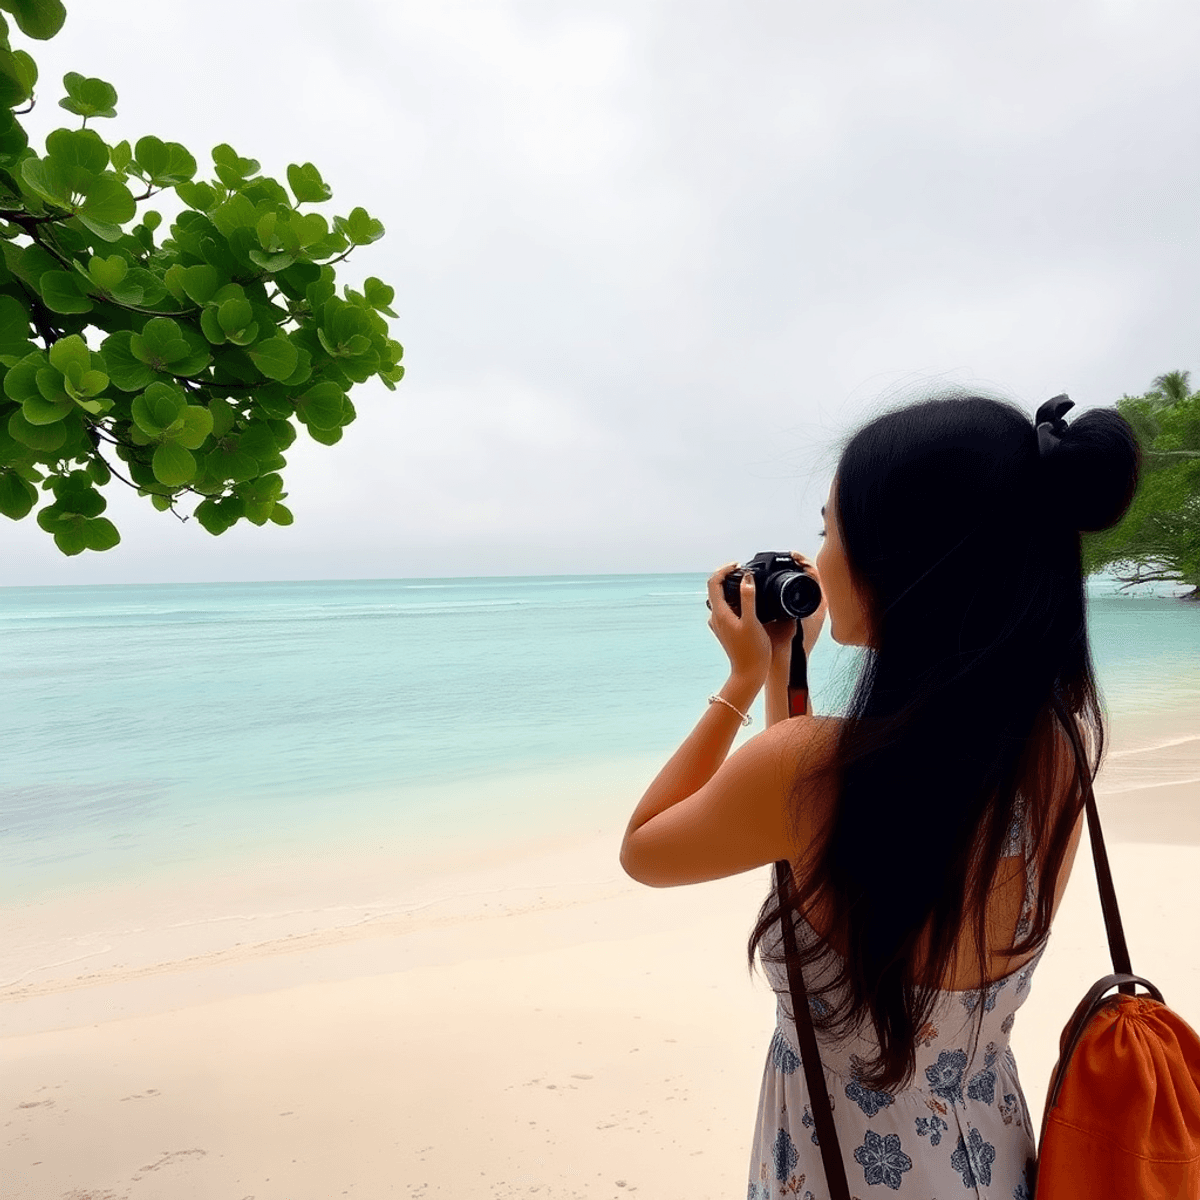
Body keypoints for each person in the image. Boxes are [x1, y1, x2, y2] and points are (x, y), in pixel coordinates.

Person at [619, 392, 1141, 1198]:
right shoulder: (1058, 746)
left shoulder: (804, 770)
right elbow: (855, 821)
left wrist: (742, 679)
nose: (819, 560)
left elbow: (646, 848)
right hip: (991, 1165)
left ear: (904, 560)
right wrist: (788, 674)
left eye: (832, 531)